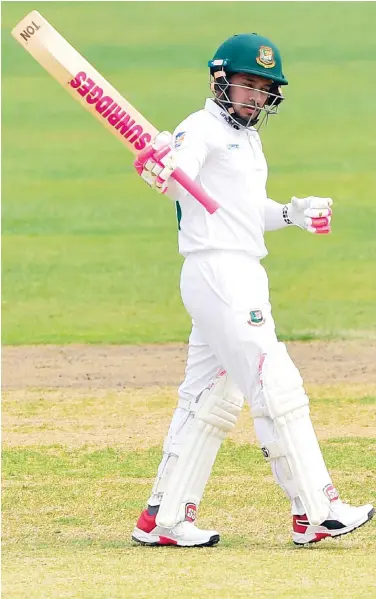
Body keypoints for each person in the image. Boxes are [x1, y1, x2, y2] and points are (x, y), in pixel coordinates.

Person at [131, 33, 374, 547]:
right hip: (219, 271)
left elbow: (242, 209)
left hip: (236, 270)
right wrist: (163, 170)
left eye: (265, 89)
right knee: (275, 383)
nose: (257, 97)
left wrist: (290, 212)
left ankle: (164, 518)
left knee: (208, 397)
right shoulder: (199, 129)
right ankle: (317, 510)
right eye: (248, 85)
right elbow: (180, 177)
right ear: (220, 80)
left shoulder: (246, 137)